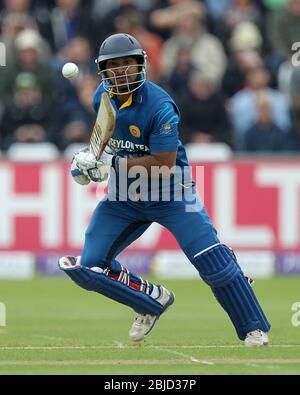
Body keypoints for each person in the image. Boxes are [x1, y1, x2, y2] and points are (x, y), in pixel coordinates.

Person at [58, 33, 271, 346]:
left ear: (141, 64)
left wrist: (113, 166)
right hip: (125, 197)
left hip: (173, 193)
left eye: (127, 65)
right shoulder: (101, 96)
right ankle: (150, 301)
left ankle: (253, 327)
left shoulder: (160, 106)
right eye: (113, 67)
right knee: (90, 267)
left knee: (212, 262)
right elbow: (105, 134)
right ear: (104, 71)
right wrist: (90, 158)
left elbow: (164, 161)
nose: (121, 73)